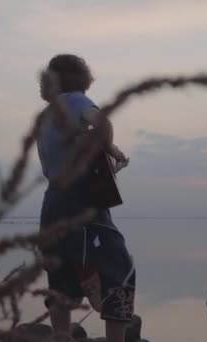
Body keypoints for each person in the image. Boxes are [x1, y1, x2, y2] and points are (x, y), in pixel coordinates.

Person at [36, 54, 135, 342]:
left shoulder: (44, 116)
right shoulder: (75, 100)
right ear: (81, 78)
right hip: (82, 202)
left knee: (61, 281)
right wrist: (110, 146)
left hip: (52, 204)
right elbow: (101, 123)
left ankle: (61, 337)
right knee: (120, 274)